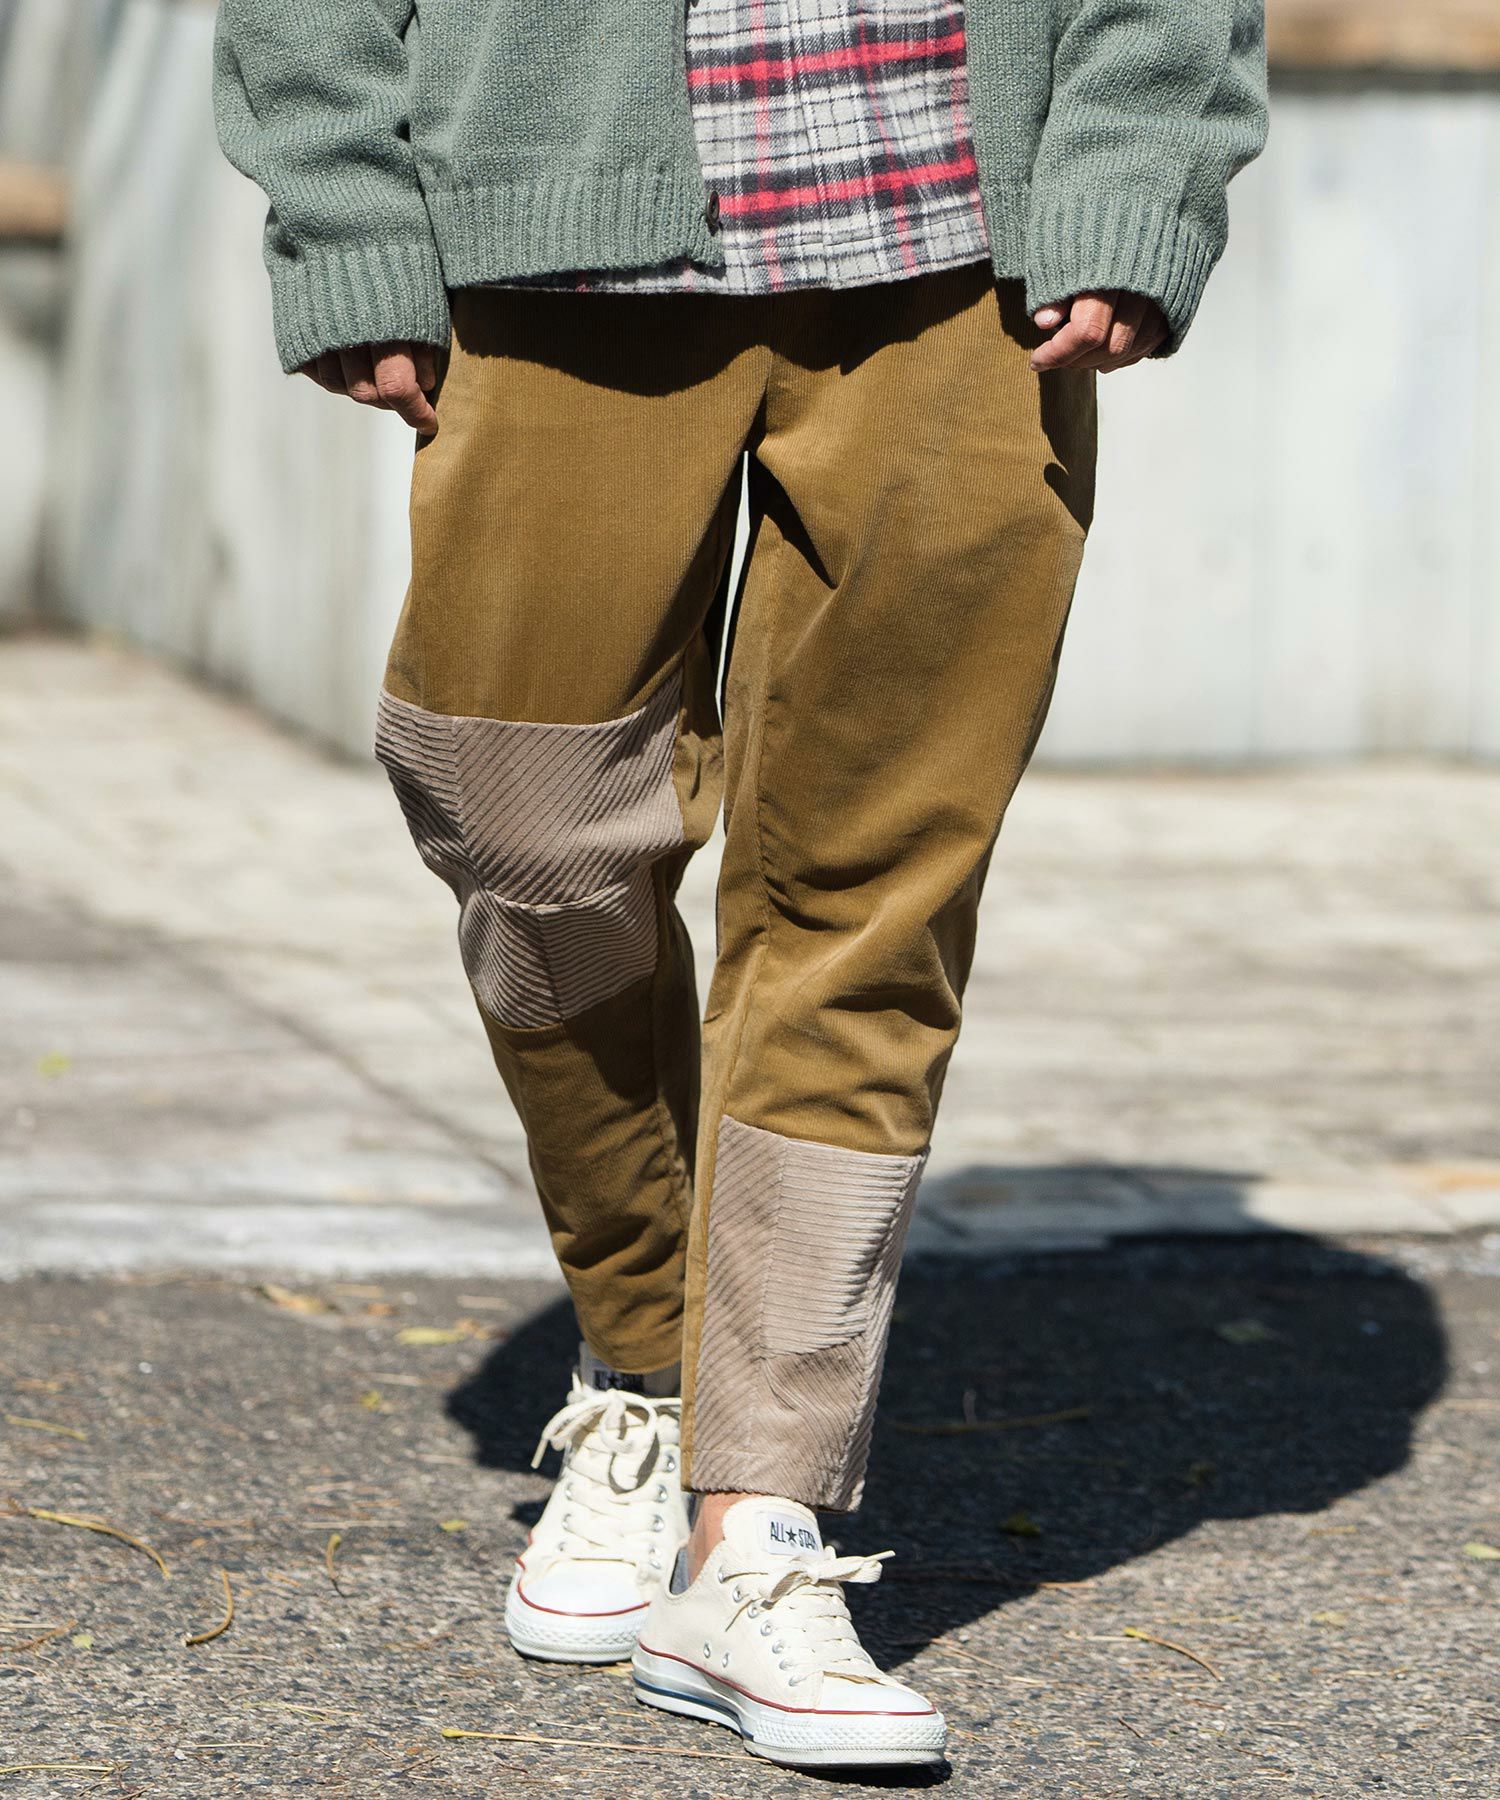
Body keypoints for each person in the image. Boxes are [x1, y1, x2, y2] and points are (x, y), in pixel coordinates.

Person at [215, 0, 1267, 1769]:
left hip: (966, 257)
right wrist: (345, 209)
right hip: (546, 239)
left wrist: (1136, 172)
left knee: (873, 895)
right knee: (525, 825)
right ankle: (643, 1358)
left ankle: (758, 1517)